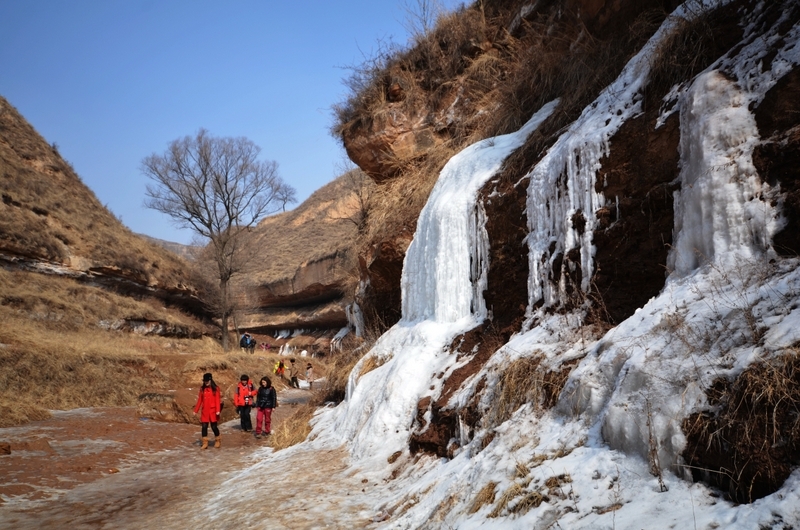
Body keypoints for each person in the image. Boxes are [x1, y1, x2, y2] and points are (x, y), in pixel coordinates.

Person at [193, 372, 222, 449]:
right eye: (205, 381)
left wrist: (218, 410)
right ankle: (205, 443)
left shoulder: (216, 389)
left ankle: (217, 440)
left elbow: (217, 400)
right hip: (205, 411)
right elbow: (200, 400)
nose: (206, 383)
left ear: (210, 380)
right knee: (204, 427)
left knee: (214, 427)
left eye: (207, 381)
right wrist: (195, 410)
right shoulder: (202, 389)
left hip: (213, 411)